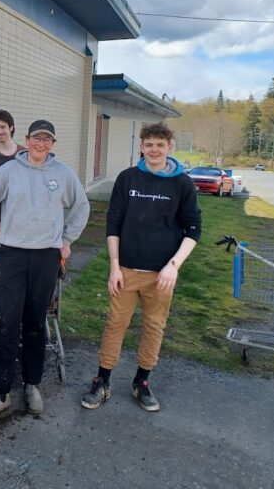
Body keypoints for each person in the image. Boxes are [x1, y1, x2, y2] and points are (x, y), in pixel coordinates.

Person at [0, 121, 90, 421]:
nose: (41, 143)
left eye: (47, 139)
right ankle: (0, 394)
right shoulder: (9, 171)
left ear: (52, 143)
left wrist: (66, 241)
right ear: (26, 140)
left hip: (46, 257)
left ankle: (32, 385)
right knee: (9, 324)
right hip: (12, 255)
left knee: (36, 323)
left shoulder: (62, 174)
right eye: (36, 138)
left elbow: (81, 206)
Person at [81, 122, 201, 412]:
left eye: (160, 144)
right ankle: (103, 380)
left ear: (169, 147)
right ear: (142, 147)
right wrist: (114, 266)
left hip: (162, 276)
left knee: (154, 328)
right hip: (127, 271)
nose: (154, 150)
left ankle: (142, 382)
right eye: (149, 144)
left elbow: (194, 229)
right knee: (115, 326)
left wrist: (174, 266)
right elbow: (114, 223)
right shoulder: (128, 178)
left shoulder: (182, 184)